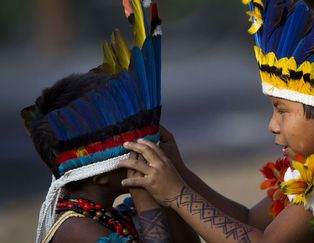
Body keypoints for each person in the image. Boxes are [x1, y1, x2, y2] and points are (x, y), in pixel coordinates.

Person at [118, 0, 314, 242]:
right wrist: (178, 171)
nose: (273, 124)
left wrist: (176, 194)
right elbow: (249, 220)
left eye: (282, 111)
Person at [21, 1, 198, 242]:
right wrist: (146, 202)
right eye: (141, 150)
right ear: (100, 175)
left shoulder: (111, 216)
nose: (152, 154)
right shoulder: (75, 229)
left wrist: (168, 191)